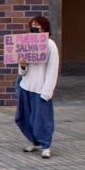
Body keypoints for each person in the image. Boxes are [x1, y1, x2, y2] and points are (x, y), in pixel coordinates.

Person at [15, 15, 60, 159]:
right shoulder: (27, 43)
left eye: (37, 24)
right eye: (32, 24)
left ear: (44, 27)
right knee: (25, 117)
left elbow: (53, 68)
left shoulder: (50, 45)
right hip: (27, 86)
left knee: (42, 119)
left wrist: (47, 91)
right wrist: (22, 65)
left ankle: (46, 145)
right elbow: (23, 69)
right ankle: (34, 141)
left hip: (41, 88)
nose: (34, 27)